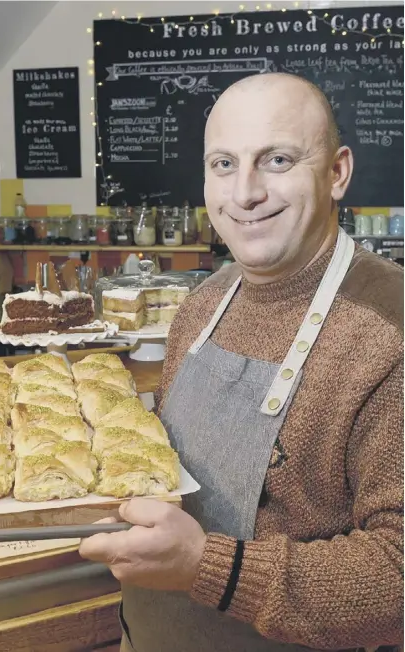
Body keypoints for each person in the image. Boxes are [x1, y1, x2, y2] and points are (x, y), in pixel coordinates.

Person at [79, 73, 403, 652]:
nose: (245, 192)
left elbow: (397, 573)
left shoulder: (389, 332)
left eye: (276, 159)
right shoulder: (202, 305)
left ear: (337, 172)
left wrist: (206, 566)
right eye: (223, 164)